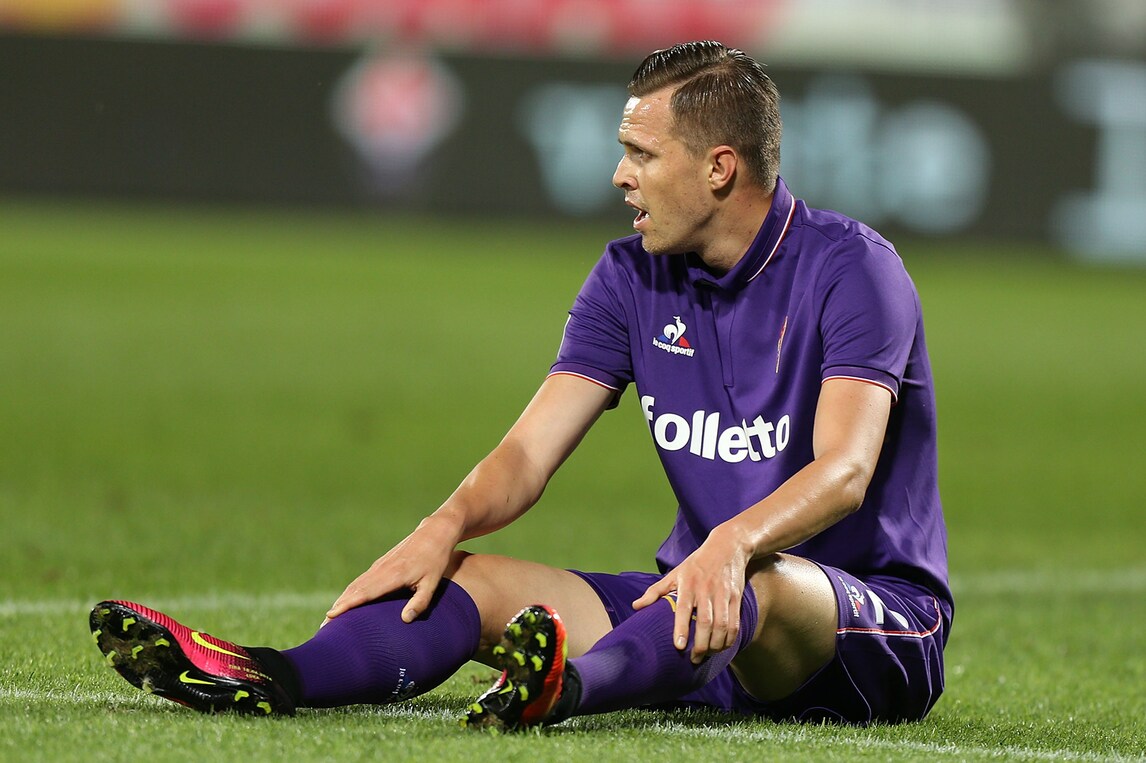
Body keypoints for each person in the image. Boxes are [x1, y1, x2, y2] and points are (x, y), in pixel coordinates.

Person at [89, 40, 952, 729]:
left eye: (641, 153)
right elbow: (528, 454)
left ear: (719, 168)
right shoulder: (630, 276)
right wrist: (443, 525)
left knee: (757, 575)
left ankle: (565, 689)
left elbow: (845, 470)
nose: (620, 175)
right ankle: (267, 673)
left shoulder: (853, 271)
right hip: (694, 612)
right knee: (463, 581)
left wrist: (729, 544)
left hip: (864, 624)